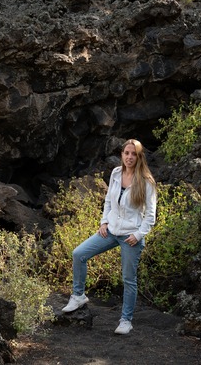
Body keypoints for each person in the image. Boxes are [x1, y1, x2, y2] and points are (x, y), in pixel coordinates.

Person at [61, 138, 157, 335]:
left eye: (134, 154)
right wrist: (104, 222)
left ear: (139, 157)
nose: (129, 157)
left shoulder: (146, 182)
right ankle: (78, 296)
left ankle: (125, 321)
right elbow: (108, 201)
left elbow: (150, 216)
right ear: (122, 154)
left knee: (128, 279)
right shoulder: (115, 173)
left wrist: (138, 235)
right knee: (79, 253)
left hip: (131, 236)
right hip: (111, 230)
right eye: (126, 153)